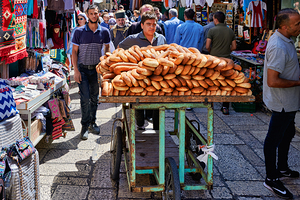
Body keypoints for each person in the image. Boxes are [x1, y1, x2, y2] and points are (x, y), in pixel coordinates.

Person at [263, 8, 300, 199]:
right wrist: (298, 82)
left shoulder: (287, 39)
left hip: (289, 101)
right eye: (297, 24)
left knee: (288, 132)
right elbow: (273, 81)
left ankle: (282, 167)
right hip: (282, 101)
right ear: (285, 27)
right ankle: (271, 178)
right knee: (273, 138)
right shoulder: (278, 45)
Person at [119, 11, 166, 130]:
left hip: (157, 79)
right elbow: (119, 49)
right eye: (148, 24)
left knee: (157, 105)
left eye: (154, 24)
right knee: (138, 104)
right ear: (142, 25)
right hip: (138, 78)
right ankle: (139, 124)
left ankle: (157, 129)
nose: (152, 27)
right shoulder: (132, 39)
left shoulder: (161, 38)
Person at [72, 4, 111, 140]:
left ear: (98, 14)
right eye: (91, 13)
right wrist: (75, 70)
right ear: (87, 15)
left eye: (96, 13)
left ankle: (92, 123)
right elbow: (74, 52)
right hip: (82, 69)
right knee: (85, 98)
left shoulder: (104, 32)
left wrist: (104, 67)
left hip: (95, 70)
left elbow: (107, 49)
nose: (94, 15)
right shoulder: (79, 31)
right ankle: (84, 125)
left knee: (95, 98)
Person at [206, 11, 236, 115]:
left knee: (212, 82)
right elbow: (234, 47)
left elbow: (207, 46)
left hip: (214, 61)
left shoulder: (212, 30)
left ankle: (211, 104)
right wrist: (227, 51)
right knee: (226, 84)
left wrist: (212, 52)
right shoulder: (230, 31)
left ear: (215, 19)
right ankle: (225, 107)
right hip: (227, 60)